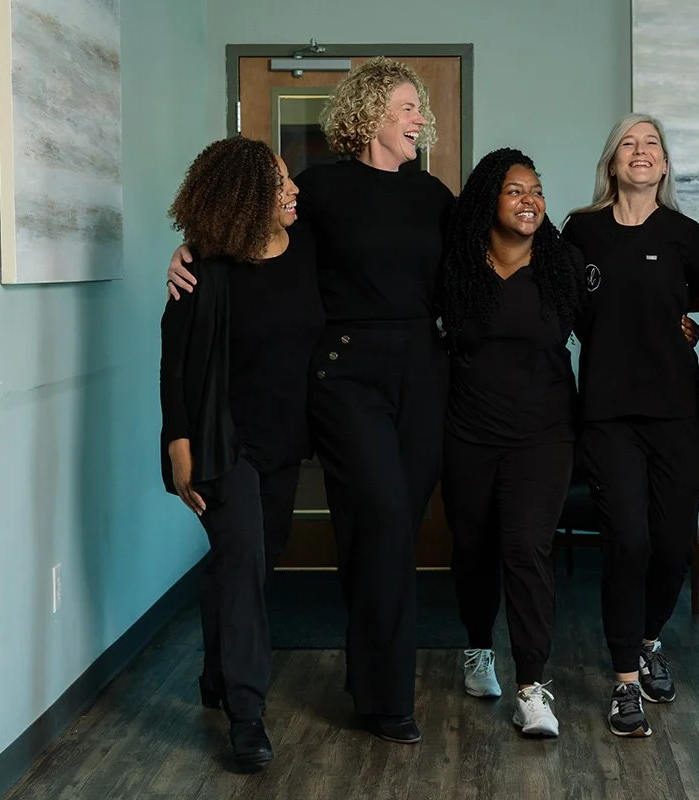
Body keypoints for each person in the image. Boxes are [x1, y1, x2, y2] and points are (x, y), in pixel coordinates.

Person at [168, 57, 453, 745]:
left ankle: (369, 682)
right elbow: (244, 233)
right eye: (408, 106)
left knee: (391, 531)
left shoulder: (436, 196)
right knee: (380, 518)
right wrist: (188, 256)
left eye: (420, 107)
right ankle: (382, 699)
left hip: (419, 374)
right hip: (344, 375)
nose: (420, 118)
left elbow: (478, 268)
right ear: (373, 112)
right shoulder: (321, 190)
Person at [160, 137, 323, 772]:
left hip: (285, 438)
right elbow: (175, 365)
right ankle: (247, 715)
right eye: (281, 183)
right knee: (245, 560)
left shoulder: (307, 248)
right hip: (222, 442)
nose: (294, 190)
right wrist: (178, 446)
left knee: (251, 559)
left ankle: (215, 671)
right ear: (248, 196)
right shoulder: (203, 268)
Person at [562, 114, 699, 738]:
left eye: (652, 144)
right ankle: (625, 680)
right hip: (608, 414)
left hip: (678, 414)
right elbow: (566, 307)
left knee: (672, 545)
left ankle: (649, 640)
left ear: (665, 164)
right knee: (627, 542)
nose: (641, 151)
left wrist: (685, 327)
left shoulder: (687, 235)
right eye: (629, 143)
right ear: (612, 162)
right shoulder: (581, 229)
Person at [438, 148, 583, 737]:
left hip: (543, 435)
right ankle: (478, 648)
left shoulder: (562, 263)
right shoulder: (455, 265)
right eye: (515, 190)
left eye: (537, 191)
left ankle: (531, 686)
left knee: (526, 549)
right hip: (468, 432)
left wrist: (678, 323)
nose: (530, 201)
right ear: (487, 201)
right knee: (473, 549)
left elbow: (612, 323)